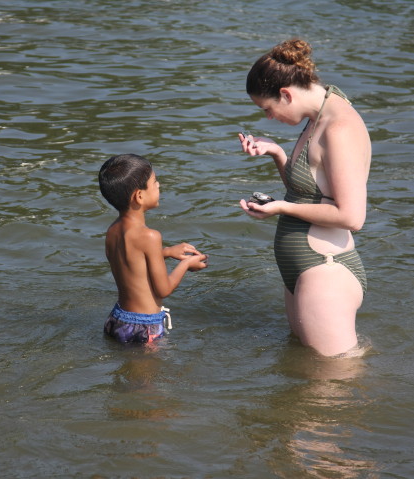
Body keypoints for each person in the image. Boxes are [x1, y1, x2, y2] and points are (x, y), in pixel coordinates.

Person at [237, 39, 371, 357]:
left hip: (326, 273)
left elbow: (353, 217)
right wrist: (277, 152)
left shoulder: (338, 128)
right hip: (304, 270)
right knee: (306, 377)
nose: (269, 117)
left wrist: (280, 207)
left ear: (286, 93)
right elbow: (312, 193)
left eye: (267, 109)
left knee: (332, 385)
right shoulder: (319, 114)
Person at [98, 154, 208, 344]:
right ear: (139, 196)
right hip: (144, 327)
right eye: (155, 182)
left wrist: (166, 252)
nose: (158, 186)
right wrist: (186, 264)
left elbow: (130, 264)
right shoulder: (151, 236)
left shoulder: (112, 230)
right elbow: (163, 289)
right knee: (151, 374)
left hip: (117, 318)